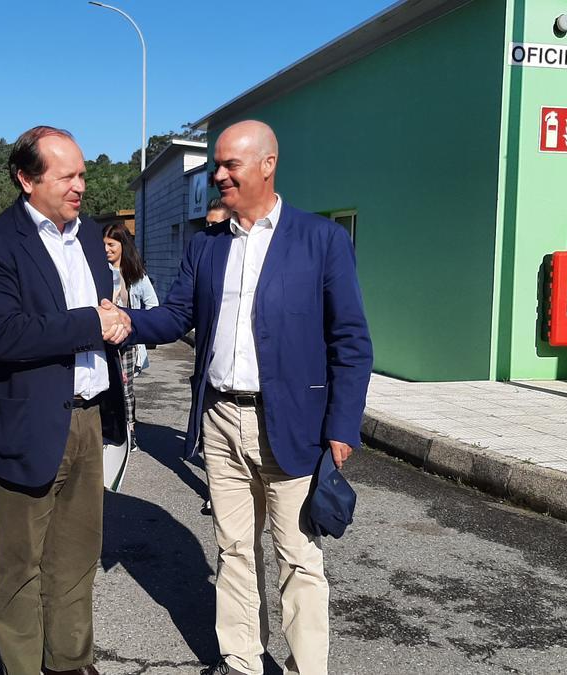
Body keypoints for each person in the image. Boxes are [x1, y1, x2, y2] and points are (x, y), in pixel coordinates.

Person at [111, 120, 373, 675]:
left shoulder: (320, 240)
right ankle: (241, 660)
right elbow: (178, 315)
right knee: (233, 549)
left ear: (267, 165)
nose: (218, 174)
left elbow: (350, 339)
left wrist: (343, 426)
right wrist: (125, 321)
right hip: (220, 417)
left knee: (299, 558)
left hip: (293, 423)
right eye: (216, 164)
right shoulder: (207, 246)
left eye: (230, 164)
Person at [0, 126, 128, 675]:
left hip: (85, 419)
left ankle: (71, 663)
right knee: (19, 568)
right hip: (23, 423)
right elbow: (3, 336)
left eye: (83, 173)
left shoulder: (88, 238)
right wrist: (91, 323)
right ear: (26, 178)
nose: (81, 185)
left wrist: (117, 321)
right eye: (67, 176)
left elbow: (102, 313)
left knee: (77, 558)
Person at [102, 221, 158, 452]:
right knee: (103, 388)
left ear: (123, 245)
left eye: (111, 244)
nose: (106, 249)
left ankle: (129, 432)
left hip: (125, 344)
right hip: (101, 341)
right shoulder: (98, 271)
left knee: (125, 390)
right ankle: (106, 430)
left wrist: (133, 325)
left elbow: (153, 305)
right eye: (103, 244)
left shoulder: (136, 275)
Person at [198, 198, 232, 514]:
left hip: (271, 407)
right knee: (232, 546)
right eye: (206, 224)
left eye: (215, 224)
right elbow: (180, 311)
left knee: (294, 549)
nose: (210, 229)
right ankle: (214, 491)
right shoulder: (202, 251)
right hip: (216, 396)